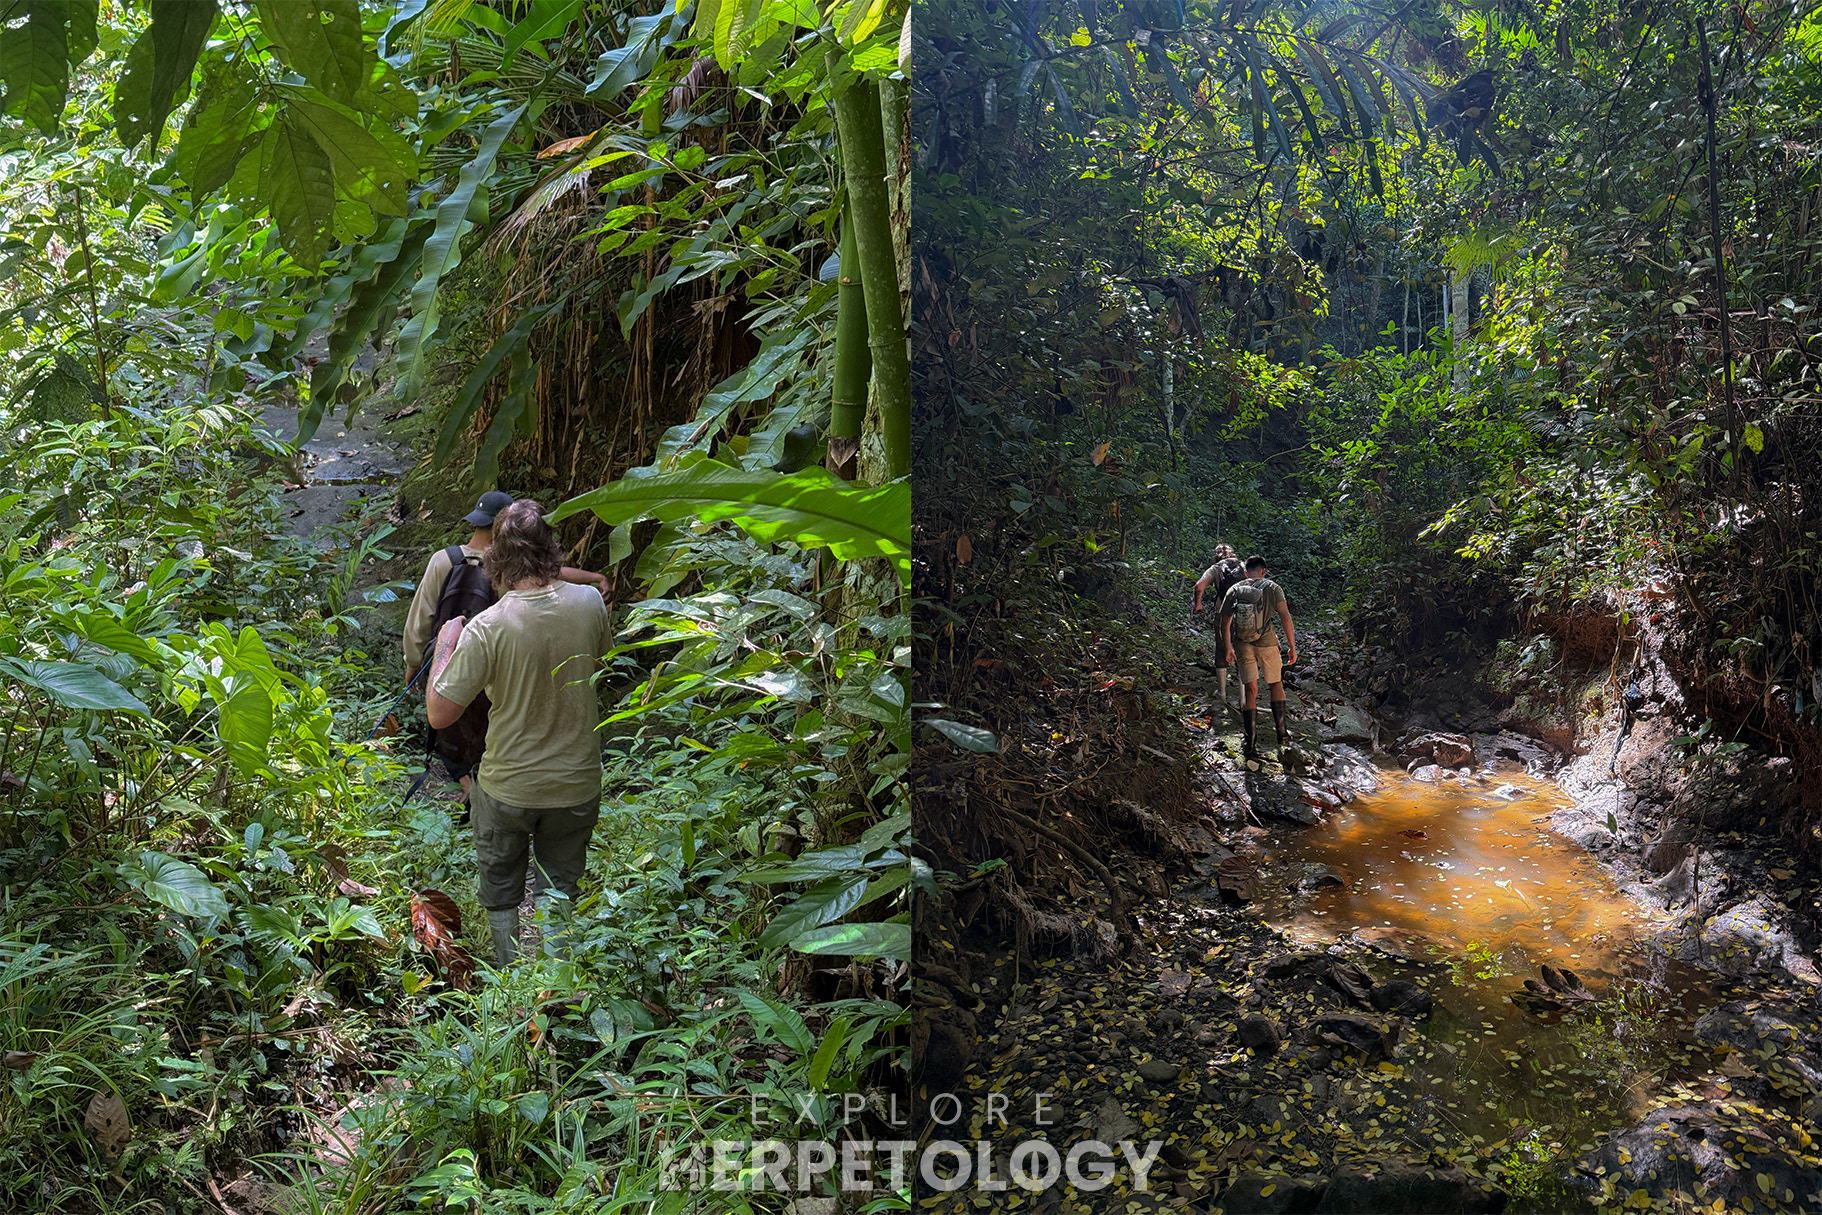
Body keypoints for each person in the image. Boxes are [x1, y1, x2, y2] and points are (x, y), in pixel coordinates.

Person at [425, 500, 614, 966]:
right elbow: (600, 663)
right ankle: (558, 980)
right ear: (550, 550)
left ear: (497, 560)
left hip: (508, 785)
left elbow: (439, 714)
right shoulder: (590, 604)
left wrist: (445, 646)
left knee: (500, 884)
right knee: (560, 884)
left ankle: (508, 973)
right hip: (576, 783)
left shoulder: (488, 627)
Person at [402, 490, 610, 804]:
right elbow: (549, 577)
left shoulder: (444, 561)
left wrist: (414, 661)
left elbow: (419, 620)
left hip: (459, 663)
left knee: (456, 727)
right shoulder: (532, 581)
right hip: (507, 680)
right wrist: (593, 578)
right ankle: (474, 780)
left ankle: (465, 780)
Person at [1219, 555, 1299, 760]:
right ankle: (1282, 734)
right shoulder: (1273, 587)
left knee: (1250, 690)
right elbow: (1285, 616)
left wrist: (1228, 648)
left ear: (1246, 573)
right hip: (1268, 643)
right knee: (1275, 684)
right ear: (1264, 571)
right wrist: (1291, 646)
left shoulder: (1234, 589)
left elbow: (1224, 622)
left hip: (1242, 643)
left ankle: (1250, 742)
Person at [1192, 544, 1246, 705]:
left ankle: (1222, 693)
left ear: (1216, 556)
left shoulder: (1215, 568)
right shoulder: (1243, 565)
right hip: (1244, 614)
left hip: (1223, 614)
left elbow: (1199, 586)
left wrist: (1198, 604)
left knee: (1222, 650)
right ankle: (1244, 699)